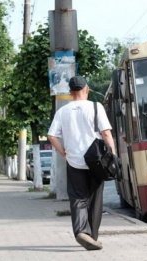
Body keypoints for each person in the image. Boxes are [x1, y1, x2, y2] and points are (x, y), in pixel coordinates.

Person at [47, 76, 116, 251]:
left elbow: (51, 136)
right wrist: (113, 155)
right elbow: (106, 133)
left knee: (78, 197)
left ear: (70, 92)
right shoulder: (96, 106)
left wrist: (63, 153)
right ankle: (92, 236)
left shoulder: (62, 111)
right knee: (95, 199)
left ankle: (80, 231)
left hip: (74, 161)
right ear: (87, 89)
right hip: (96, 160)